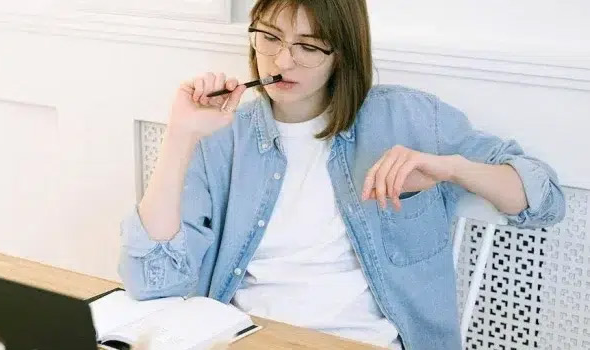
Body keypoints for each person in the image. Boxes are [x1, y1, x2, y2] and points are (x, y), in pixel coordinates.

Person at [117, 0, 566, 349]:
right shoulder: (224, 137)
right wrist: (180, 138)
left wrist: (451, 169)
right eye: (269, 38)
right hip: (251, 337)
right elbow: (153, 281)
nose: (282, 62)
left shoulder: (408, 118)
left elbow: (544, 201)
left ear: (342, 53)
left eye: (308, 47)